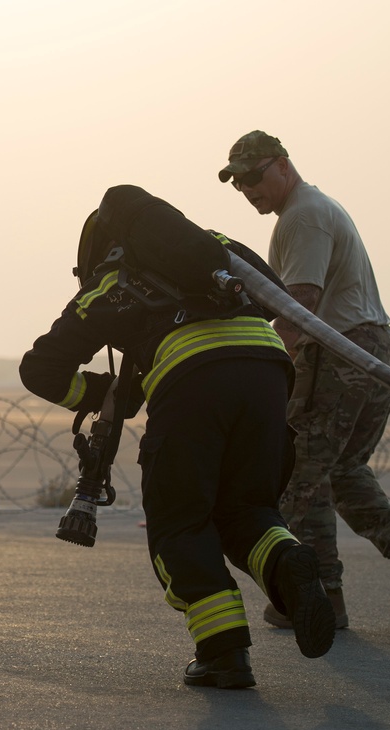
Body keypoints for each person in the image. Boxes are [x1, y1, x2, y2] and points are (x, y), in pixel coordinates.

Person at [20, 187, 336, 689]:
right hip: (266, 372)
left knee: (179, 522)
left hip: (194, 382)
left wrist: (100, 393)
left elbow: (40, 370)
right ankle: (288, 564)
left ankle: (224, 654)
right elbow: (278, 295)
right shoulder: (219, 249)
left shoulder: (112, 282)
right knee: (248, 510)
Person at [219, 131, 390, 629]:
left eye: (254, 175)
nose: (247, 188)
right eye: (237, 181)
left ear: (282, 166)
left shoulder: (302, 216)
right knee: (343, 470)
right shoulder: (311, 209)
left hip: (341, 352)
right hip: (375, 348)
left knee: (301, 474)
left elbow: (300, 307)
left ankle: (322, 597)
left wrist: (257, 368)